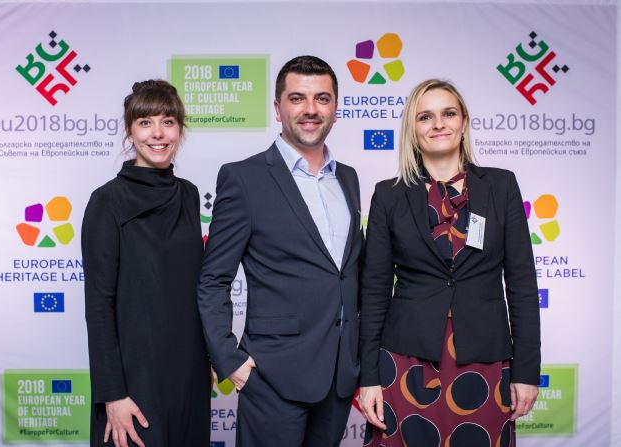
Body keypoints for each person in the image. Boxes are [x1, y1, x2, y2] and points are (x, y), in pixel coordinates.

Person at [358, 79, 540, 446]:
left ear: (464, 122)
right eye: (425, 116)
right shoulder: (388, 195)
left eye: (448, 113)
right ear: (412, 129)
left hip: (484, 358)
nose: (438, 124)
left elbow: (522, 284)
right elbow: (374, 291)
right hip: (406, 359)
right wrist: (368, 377)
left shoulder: (501, 186)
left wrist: (526, 371)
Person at [197, 55, 363, 446]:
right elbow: (213, 279)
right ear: (277, 108)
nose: (310, 109)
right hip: (272, 377)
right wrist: (230, 361)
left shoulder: (348, 178)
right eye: (297, 98)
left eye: (322, 98)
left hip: (339, 377)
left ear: (335, 109)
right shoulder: (244, 178)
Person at [82, 80, 209, 447]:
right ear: (130, 130)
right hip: (133, 381)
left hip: (188, 373)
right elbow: (99, 305)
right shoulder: (107, 201)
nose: (158, 133)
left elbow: (193, 287)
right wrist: (113, 395)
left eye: (168, 122)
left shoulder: (188, 195)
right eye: (145, 122)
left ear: (180, 129)